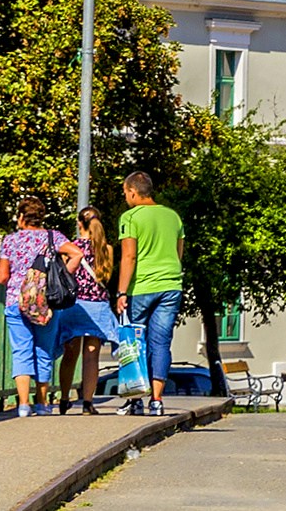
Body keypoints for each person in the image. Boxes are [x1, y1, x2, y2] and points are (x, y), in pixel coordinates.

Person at [114, 170, 188, 415]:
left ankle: (136, 397)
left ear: (133, 192)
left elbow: (129, 256)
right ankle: (156, 400)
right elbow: (179, 253)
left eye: (126, 193)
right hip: (171, 286)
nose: (126, 197)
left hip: (142, 287)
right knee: (161, 343)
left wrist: (121, 291)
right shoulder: (173, 216)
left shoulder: (130, 217)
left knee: (135, 343)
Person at [0, 192, 67, 416]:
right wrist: (64, 275)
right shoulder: (54, 237)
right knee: (44, 350)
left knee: (21, 350)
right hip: (45, 301)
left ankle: (24, 404)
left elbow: (2, 277)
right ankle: (43, 403)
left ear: (21, 218)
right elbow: (77, 253)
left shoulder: (10, 240)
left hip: (17, 301)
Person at [61, 206, 124, 413]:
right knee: (91, 356)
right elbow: (105, 278)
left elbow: (65, 276)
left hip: (74, 305)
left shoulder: (70, 248)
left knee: (70, 354)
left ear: (80, 224)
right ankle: (88, 402)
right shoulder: (107, 250)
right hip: (98, 307)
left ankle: (63, 398)